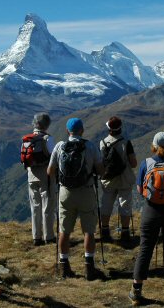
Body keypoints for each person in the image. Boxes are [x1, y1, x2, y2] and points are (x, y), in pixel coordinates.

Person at [129, 132, 164, 305]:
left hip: (151, 210)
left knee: (145, 248)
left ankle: (136, 292)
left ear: (154, 146)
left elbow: (140, 188)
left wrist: (155, 195)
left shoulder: (146, 163)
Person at [47, 118, 105, 281]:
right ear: (82, 131)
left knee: (64, 230)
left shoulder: (60, 146)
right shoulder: (90, 146)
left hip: (65, 193)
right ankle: (89, 267)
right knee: (89, 231)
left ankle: (64, 265)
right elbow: (101, 171)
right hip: (86, 191)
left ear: (67, 131)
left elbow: (50, 171)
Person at [99, 116, 137, 245]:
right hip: (124, 178)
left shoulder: (102, 143)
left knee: (106, 204)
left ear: (109, 128)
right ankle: (125, 233)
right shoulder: (126, 142)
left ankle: (104, 231)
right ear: (120, 128)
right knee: (125, 205)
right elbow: (133, 163)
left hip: (108, 178)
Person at [24, 113, 57, 246]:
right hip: (46, 176)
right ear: (47, 125)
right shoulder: (47, 139)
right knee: (47, 206)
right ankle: (48, 236)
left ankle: (36, 237)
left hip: (31, 175)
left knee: (35, 207)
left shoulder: (27, 139)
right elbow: (54, 158)